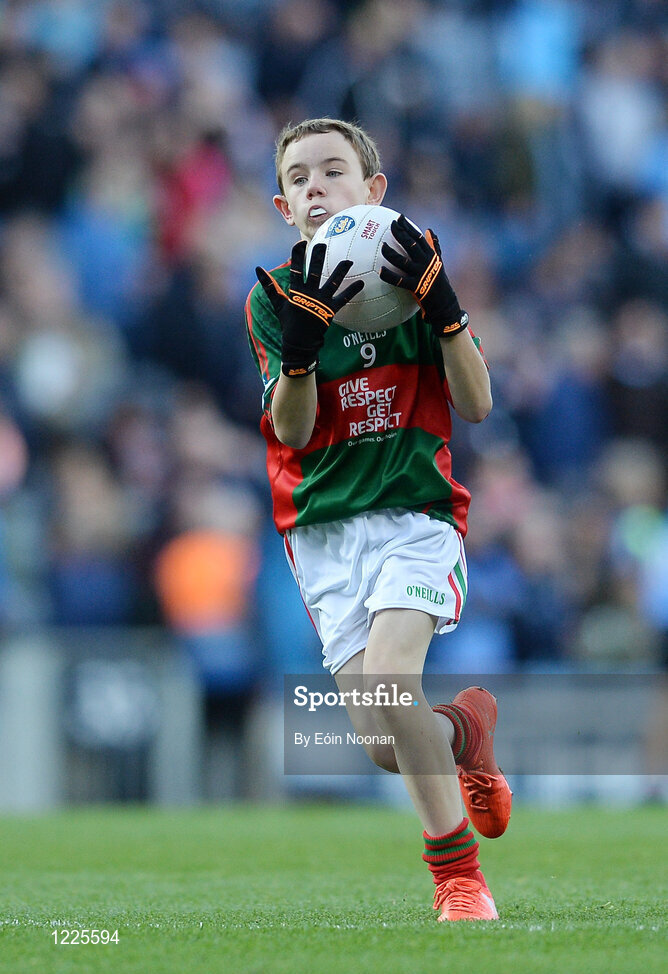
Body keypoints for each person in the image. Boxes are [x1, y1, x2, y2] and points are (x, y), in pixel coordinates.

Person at [245, 117, 512, 922]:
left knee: (395, 681)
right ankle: (465, 732)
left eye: (334, 170)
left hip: (413, 513)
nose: (317, 186)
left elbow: (478, 404)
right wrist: (300, 354)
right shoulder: (270, 299)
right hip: (323, 533)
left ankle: (457, 878)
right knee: (380, 743)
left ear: (374, 191)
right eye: (300, 178)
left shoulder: (414, 270)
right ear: (284, 206)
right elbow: (291, 430)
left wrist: (451, 316)